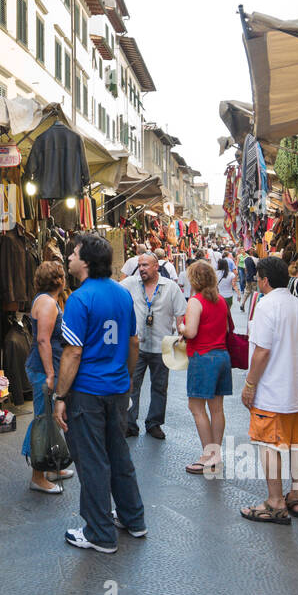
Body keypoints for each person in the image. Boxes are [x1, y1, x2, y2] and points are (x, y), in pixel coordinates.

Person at [52, 232, 145, 553]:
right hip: (117, 388)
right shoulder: (122, 295)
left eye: (73, 253)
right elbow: (134, 342)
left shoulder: (79, 298)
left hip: (88, 392)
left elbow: (72, 353)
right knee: (119, 454)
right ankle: (134, 519)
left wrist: (60, 396)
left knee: (91, 460)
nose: (68, 258)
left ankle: (99, 533)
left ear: (87, 261)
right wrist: (128, 378)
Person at [238, 256, 298, 525]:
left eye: (258, 278)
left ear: (264, 280)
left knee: (270, 445)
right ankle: (296, 496)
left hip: (274, 392)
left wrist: (250, 384)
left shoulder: (267, 306)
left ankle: (275, 502)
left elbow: (262, 351)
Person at [120, 252, 184, 439]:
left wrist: (181, 335)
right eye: (139, 265)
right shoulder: (131, 283)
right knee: (132, 386)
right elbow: (113, 293)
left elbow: (180, 312)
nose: (141, 269)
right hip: (136, 346)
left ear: (156, 266)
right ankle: (130, 424)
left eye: (145, 265)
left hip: (163, 345)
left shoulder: (170, 287)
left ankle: (154, 423)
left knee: (159, 387)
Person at [24, 261, 74, 493]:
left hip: (45, 366)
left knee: (48, 419)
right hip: (43, 368)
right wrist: (51, 373)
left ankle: (53, 466)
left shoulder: (46, 300)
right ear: (59, 280)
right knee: (42, 420)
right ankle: (38, 475)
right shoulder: (47, 303)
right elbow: (43, 340)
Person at [179, 261, 231, 474]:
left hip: (203, 357)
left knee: (196, 407)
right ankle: (215, 453)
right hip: (222, 356)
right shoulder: (220, 301)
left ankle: (207, 456)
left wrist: (180, 326)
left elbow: (190, 332)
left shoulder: (196, 301)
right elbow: (226, 328)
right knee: (217, 409)